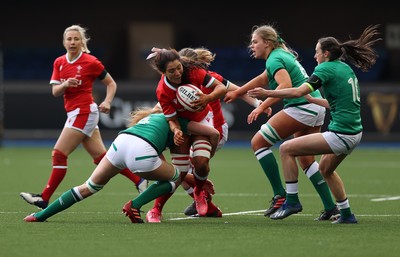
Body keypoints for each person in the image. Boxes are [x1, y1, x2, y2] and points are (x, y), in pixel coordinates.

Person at [247, 24, 381, 223]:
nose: (314, 56)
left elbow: (296, 91)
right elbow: (334, 103)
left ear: (326, 53)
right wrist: (313, 100)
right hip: (354, 132)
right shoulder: (344, 68)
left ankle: (290, 200)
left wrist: (267, 94)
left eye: (317, 52)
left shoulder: (324, 68)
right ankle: (344, 213)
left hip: (341, 134)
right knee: (325, 169)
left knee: (286, 149)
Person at [20, 24, 147, 210]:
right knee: (101, 158)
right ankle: (139, 180)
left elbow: (111, 84)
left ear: (82, 41)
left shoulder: (91, 62)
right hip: (74, 112)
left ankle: (44, 198)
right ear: (64, 42)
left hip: (84, 112)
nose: (72, 42)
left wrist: (107, 102)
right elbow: (55, 91)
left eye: (76, 39)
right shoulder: (59, 62)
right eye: (69, 39)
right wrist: (65, 85)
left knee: (59, 154)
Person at [24, 107, 220, 222]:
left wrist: (192, 179)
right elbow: (213, 133)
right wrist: (200, 173)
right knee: (173, 181)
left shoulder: (151, 119)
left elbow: (160, 164)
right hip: (141, 151)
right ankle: (134, 205)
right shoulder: (179, 122)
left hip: (120, 144)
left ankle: (40, 215)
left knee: (88, 187)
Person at [224, 24, 339, 220]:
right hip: (315, 106)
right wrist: (238, 91)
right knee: (306, 159)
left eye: (255, 42)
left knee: (258, 142)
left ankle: (282, 196)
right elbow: (263, 78)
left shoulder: (276, 58)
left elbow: (284, 85)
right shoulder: (279, 55)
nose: (251, 46)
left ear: (267, 42)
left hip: (302, 106)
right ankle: (330, 207)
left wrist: (261, 106)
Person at [145, 47, 227, 220]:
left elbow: (221, 88)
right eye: (171, 71)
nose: (177, 73)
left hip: (202, 120)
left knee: (201, 163)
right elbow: (171, 119)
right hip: (182, 126)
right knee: (179, 173)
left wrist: (207, 98)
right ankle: (155, 209)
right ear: (163, 72)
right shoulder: (162, 90)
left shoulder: (193, 71)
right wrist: (175, 131)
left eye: (178, 68)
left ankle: (199, 192)